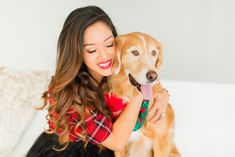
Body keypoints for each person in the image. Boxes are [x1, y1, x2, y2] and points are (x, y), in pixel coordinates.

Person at [25, 5, 169, 157]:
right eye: (92, 50)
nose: (104, 55)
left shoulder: (116, 72)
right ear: (77, 53)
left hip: (105, 148)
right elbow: (118, 142)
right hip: (70, 151)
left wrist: (162, 96)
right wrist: (140, 92)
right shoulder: (72, 94)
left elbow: (150, 81)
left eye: (109, 44)